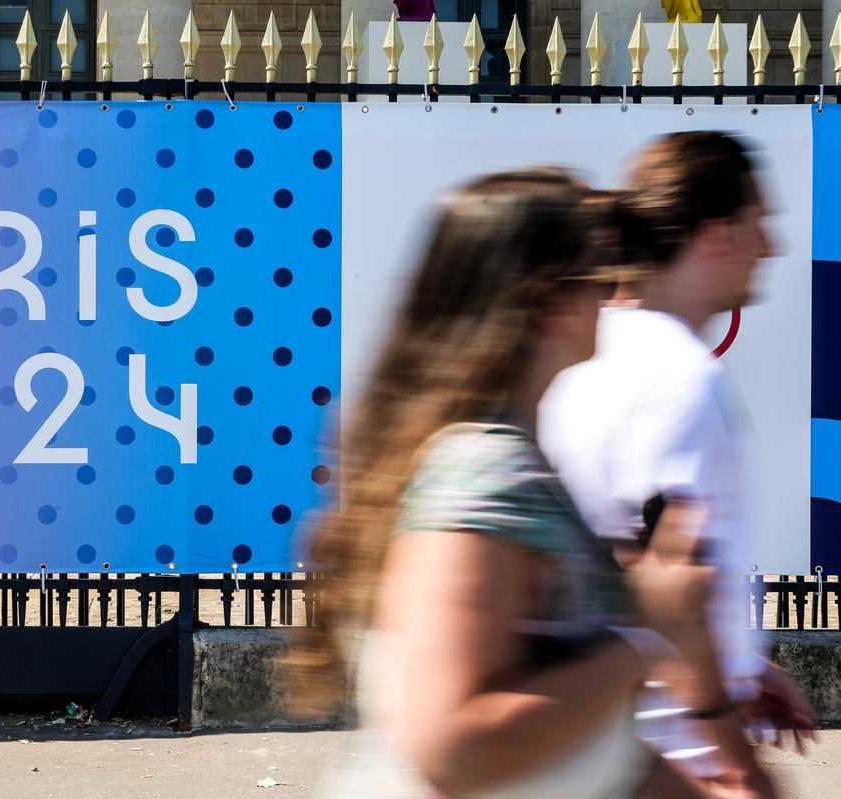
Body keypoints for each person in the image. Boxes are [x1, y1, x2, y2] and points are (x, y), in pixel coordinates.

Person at [291, 168, 715, 798]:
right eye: (602, 270)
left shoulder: (499, 457)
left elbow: (580, 737)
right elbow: (456, 746)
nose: (619, 292)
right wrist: (647, 634)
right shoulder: (482, 471)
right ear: (545, 301)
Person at [538, 131, 816, 799]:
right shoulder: (683, 380)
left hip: (598, 746)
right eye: (759, 222)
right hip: (671, 759)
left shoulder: (583, 355)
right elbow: (660, 580)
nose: (771, 245)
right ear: (715, 234)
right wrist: (737, 764)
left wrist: (743, 666)